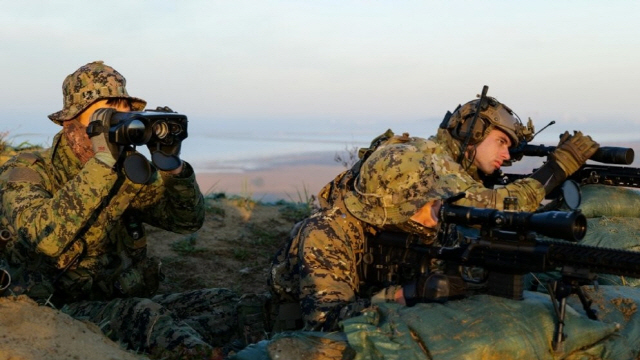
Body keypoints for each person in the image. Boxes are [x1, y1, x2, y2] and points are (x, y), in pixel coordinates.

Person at [268, 91, 600, 332]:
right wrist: (406, 294)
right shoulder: (329, 233)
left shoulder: (430, 222)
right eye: (500, 141)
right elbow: (322, 322)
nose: (441, 213)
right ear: (400, 205)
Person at [0, 61, 252, 358]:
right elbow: (46, 239)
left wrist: (172, 167)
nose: (114, 127)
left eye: (121, 116)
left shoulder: (127, 170)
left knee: (226, 304)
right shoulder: (29, 171)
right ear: (71, 126)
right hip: (56, 313)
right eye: (104, 117)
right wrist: (103, 163)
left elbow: (185, 221)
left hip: (120, 300)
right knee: (145, 318)